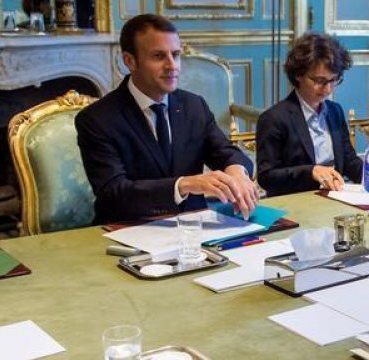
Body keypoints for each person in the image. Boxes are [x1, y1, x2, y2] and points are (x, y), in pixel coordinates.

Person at [75, 14, 257, 224]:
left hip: (194, 227)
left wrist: (237, 171)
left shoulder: (194, 106)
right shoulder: (97, 119)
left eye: (176, 54)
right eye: (159, 56)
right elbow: (113, 193)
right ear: (130, 61)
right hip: (127, 230)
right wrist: (183, 185)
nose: (173, 66)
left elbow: (226, 153)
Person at [256, 32, 369, 197]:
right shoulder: (274, 118)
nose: (327, 89)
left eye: (333, 80)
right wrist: (311, 171)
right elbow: (267, 177)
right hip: (297, 201)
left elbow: (348, 161)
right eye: (319, 81)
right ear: (298, 75)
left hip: (336, 196)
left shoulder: (334, 111)